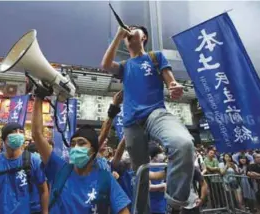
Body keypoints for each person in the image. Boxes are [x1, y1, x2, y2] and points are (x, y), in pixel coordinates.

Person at [101, 25, 194, 213]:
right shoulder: (125, 66)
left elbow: (171, 81)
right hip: (131, 124)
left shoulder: (155, 57)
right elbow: (105, 65)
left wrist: (174, 87)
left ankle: (174, 204)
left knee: (183, 144)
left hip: (155, 113)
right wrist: (117, 37)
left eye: (134, 29)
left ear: (144, 37)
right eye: (127, 29)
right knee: (140, 173)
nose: (129, 30)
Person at [31, 89, 131, 214]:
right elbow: (37, 135)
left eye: (82, 143)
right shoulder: (59, 169)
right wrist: (39, 97)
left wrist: (113, 109)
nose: (76, 148)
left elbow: (123, 210)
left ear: (93, 150)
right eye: (73, 144)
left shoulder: (105, 179)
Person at [0, 122, 49, 214]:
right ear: (4, 138)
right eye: (13, 131)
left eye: (21, 131)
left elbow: (44, 191)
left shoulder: (33, 161)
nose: (18, 134)